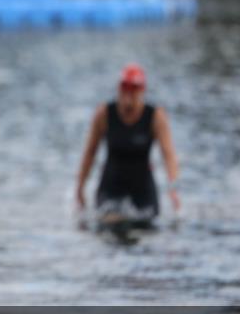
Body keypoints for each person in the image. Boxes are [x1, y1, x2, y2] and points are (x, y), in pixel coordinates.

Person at [76, 63, 180, 223]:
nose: (128, 94)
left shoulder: (155, 116)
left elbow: (168, 155)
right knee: (110, 223)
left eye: (134, 89)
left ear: (142, 90)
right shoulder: (104, 114)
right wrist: (80, 187)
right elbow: (90, 152)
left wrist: (173, 188)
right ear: (119, 88)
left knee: (146, 228)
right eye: (125, 88)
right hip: (111, 185)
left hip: (143, 187)